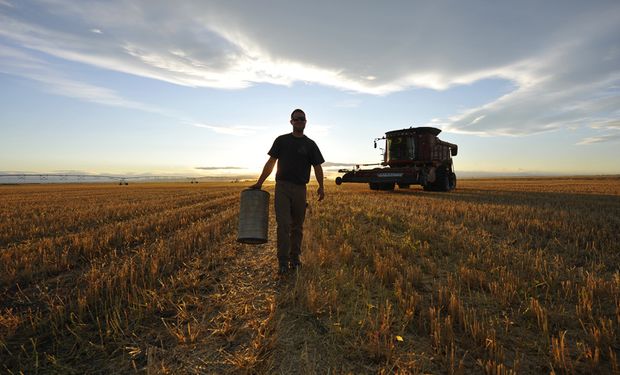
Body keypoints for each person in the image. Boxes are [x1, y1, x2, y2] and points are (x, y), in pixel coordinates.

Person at [250, 109, 325, 275]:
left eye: (302, 119)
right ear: (291, 122)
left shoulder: (310, 144)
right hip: (282, 187)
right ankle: (282, 261)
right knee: (283, 225)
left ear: (306, 122)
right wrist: (260, 182)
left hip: (300, 189)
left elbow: (317, 167)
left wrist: (321, 186)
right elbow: (271, 162)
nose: (299, 121)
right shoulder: (281, 141)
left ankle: (295, 258)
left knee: (297, 226)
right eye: (296, 119)